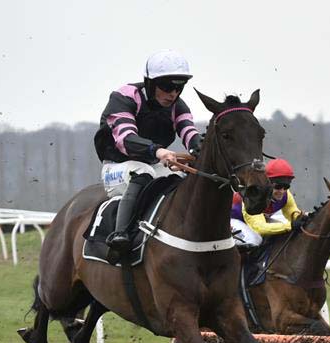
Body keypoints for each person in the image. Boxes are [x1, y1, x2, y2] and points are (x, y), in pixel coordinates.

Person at [94, 49, 203, 253]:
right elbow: (125, 139)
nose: (173, 93)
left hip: (152, 165)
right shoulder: (125, 96)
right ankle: (120, 234)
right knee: (143, 173)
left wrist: (200, 148)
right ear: (151, 83)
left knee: (181, 178)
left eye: (179, 88)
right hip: (117, 167)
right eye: (167, 87)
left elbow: (189, 132)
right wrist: (158, 151)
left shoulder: (178, 106)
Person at [230, 158, 302, 248]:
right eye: (278, 186)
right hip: (234, 220)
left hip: (256, 221)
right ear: (266, 184)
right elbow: (259, 227)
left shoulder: (286, 194)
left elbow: (292, 211)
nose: (282, 191)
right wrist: (290, 226)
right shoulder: (255, 197)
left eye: (286, 186)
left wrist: (301, 218)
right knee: (255, 239)